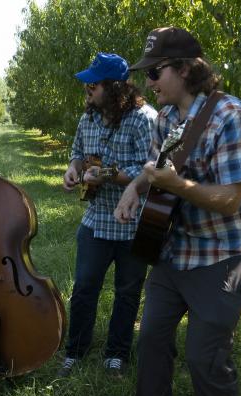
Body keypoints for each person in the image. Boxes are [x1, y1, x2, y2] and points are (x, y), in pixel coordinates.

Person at [114, 27, 241, 396]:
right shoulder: (165, 117)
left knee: (206, 357)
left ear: (184, 69)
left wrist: (175, 185)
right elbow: (153, 170)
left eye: (155, 72)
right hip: (173, 247)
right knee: (149, 341)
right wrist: (134, 187)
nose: (147, 82)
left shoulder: (231, 116)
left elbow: (232, 199)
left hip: (224, 254)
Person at [58, 53, 157, 377]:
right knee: (85, 287)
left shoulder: (144, 119)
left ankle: (116, 353)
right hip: (96, 220)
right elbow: (77, 153)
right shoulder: (88, 118)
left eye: (94, 83)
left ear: (115, 87)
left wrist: (106, 174)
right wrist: (73, 170)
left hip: (133, 222)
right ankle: (75, 350)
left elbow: (151, 169)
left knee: (128, 292)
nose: (87, 87)